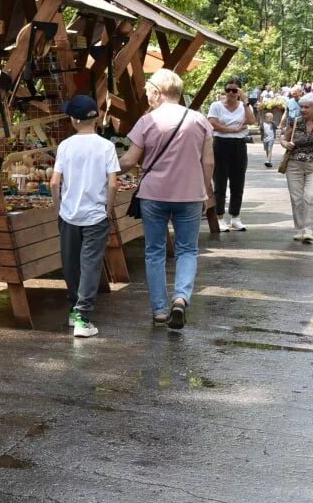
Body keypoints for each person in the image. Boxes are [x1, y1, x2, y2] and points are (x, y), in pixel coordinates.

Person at [120, 69, 213, 330]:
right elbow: (209, 161)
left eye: (149, 91)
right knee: (187, 250)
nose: (147, 96)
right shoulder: (199, 120)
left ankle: (160, 310)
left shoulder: (147, 121)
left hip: (153, 195)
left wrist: (101, 169)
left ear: (158, 92)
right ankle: (181, 297)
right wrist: (204, 191)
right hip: (190, 195)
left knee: (154, 251)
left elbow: (129, 161)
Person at [50, 95, 119, 338]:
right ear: (96, 117)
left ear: (73, 120)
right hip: (95, 215)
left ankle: (73, 310)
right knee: (91, 263)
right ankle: (83, 316)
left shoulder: (65, 146)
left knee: (71, 263)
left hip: (69, 214)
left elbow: (54, 182)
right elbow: (112, 184)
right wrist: (108, 210)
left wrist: (59, 207)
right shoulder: (106, 146)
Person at [206, 78, 255, 231]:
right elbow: (213, 123)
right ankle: (220, 217)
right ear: (224, 91)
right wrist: (231, 130)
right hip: (221, 143)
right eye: (228, 90)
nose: (231, 93)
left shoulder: (244, 106)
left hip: (239, 145)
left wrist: (246, 102)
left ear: (240, 91)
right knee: (220, 183)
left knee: (238, 182)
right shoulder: (216, 105)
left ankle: (235, 217)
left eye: (235, 90)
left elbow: (252, 120)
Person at [280, 94, 313, 243]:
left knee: (310, 197)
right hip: (294, 165)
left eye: (307, 107)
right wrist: (285, 144)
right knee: (296, 198)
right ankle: (299, 229)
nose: (303, 110)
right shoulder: (295, 121)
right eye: (302, 107)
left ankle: (308, 229)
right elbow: (283, 138)